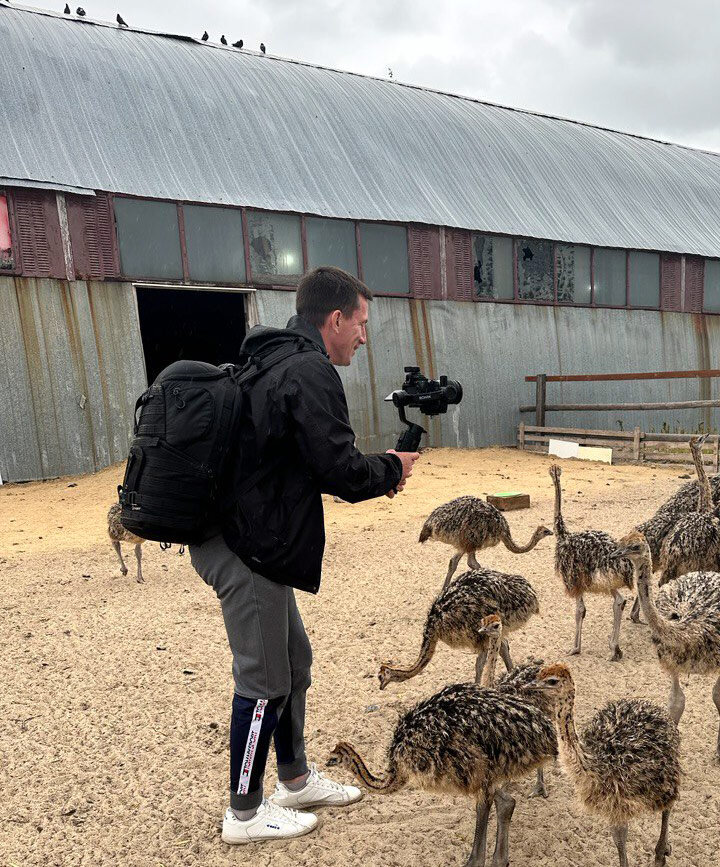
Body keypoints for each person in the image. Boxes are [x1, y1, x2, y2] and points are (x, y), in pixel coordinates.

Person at [189, 266, 419, 844]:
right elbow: (337, 468)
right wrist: (391, 467)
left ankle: (292, 779)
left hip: (253, 537)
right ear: (335, 319)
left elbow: (303, 458)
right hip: (246, 546)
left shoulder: (274, 357)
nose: (364, 337)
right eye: (361, 324)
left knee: (294, 661)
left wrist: (380, 468)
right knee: (264, 676)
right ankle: (244, 813)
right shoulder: (307, 368)